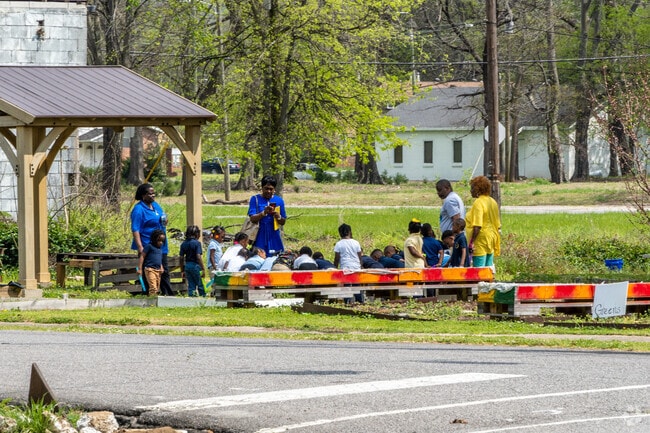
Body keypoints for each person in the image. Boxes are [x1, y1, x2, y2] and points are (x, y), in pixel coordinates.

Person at [131, 183, 173, 295]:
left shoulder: (155, 205)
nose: (153, 195)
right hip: (148, 245)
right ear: (143, 195)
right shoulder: (139, 209)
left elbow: (162, 217)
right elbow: (135, 229)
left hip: (161, 245)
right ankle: (150, 293)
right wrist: (140, 247)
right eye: (150, 194)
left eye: (154, 193)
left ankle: (167, 294)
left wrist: (165, 220)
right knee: (150, 270)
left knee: (164, 270)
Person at [466, 175, 501, 267]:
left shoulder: (478, 202)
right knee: (488, 268)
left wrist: (471, 242)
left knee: (479, 270)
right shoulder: (493, 201)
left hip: (480, 240)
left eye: (472, 188)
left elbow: (477, 226)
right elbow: (498, 224)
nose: (471, 190)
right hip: (491, 238)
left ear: (478, 189)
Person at [247, 175, 287, 255]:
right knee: (259, 256)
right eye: (266, 188)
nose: (268, 191)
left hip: (274, 234)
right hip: (260, 233)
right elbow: (252, 219)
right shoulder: (255, 199)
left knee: (275, 256)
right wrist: (264, 213)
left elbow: (283, 222)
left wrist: (278, 216)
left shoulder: (279, 200)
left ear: (274, 189)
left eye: (271, 189)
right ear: (262, 188)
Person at [179, 225, 206, 297]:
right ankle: (203, 296)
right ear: (196, 234)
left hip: (187, 265)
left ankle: (192, 297)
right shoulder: (197, 243)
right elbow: (198, 256)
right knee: (199, 283)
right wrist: (203, 268)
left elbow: (181, 258)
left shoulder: (183, 244)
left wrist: (182, 270)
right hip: (195, 266)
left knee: (191, 284)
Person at [137, 229, 165, 296]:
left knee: (157, 287)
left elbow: (159, 259)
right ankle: (152, 300)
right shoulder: (149, 246)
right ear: (154, 239)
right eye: (159, 240)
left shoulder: (160, 249)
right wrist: (140, 268)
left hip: (158, 270)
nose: (161, 242)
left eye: (162, 241)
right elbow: (142, 256)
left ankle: (154, 298)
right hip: (150, 269)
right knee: (153, 287)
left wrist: (161, 267)